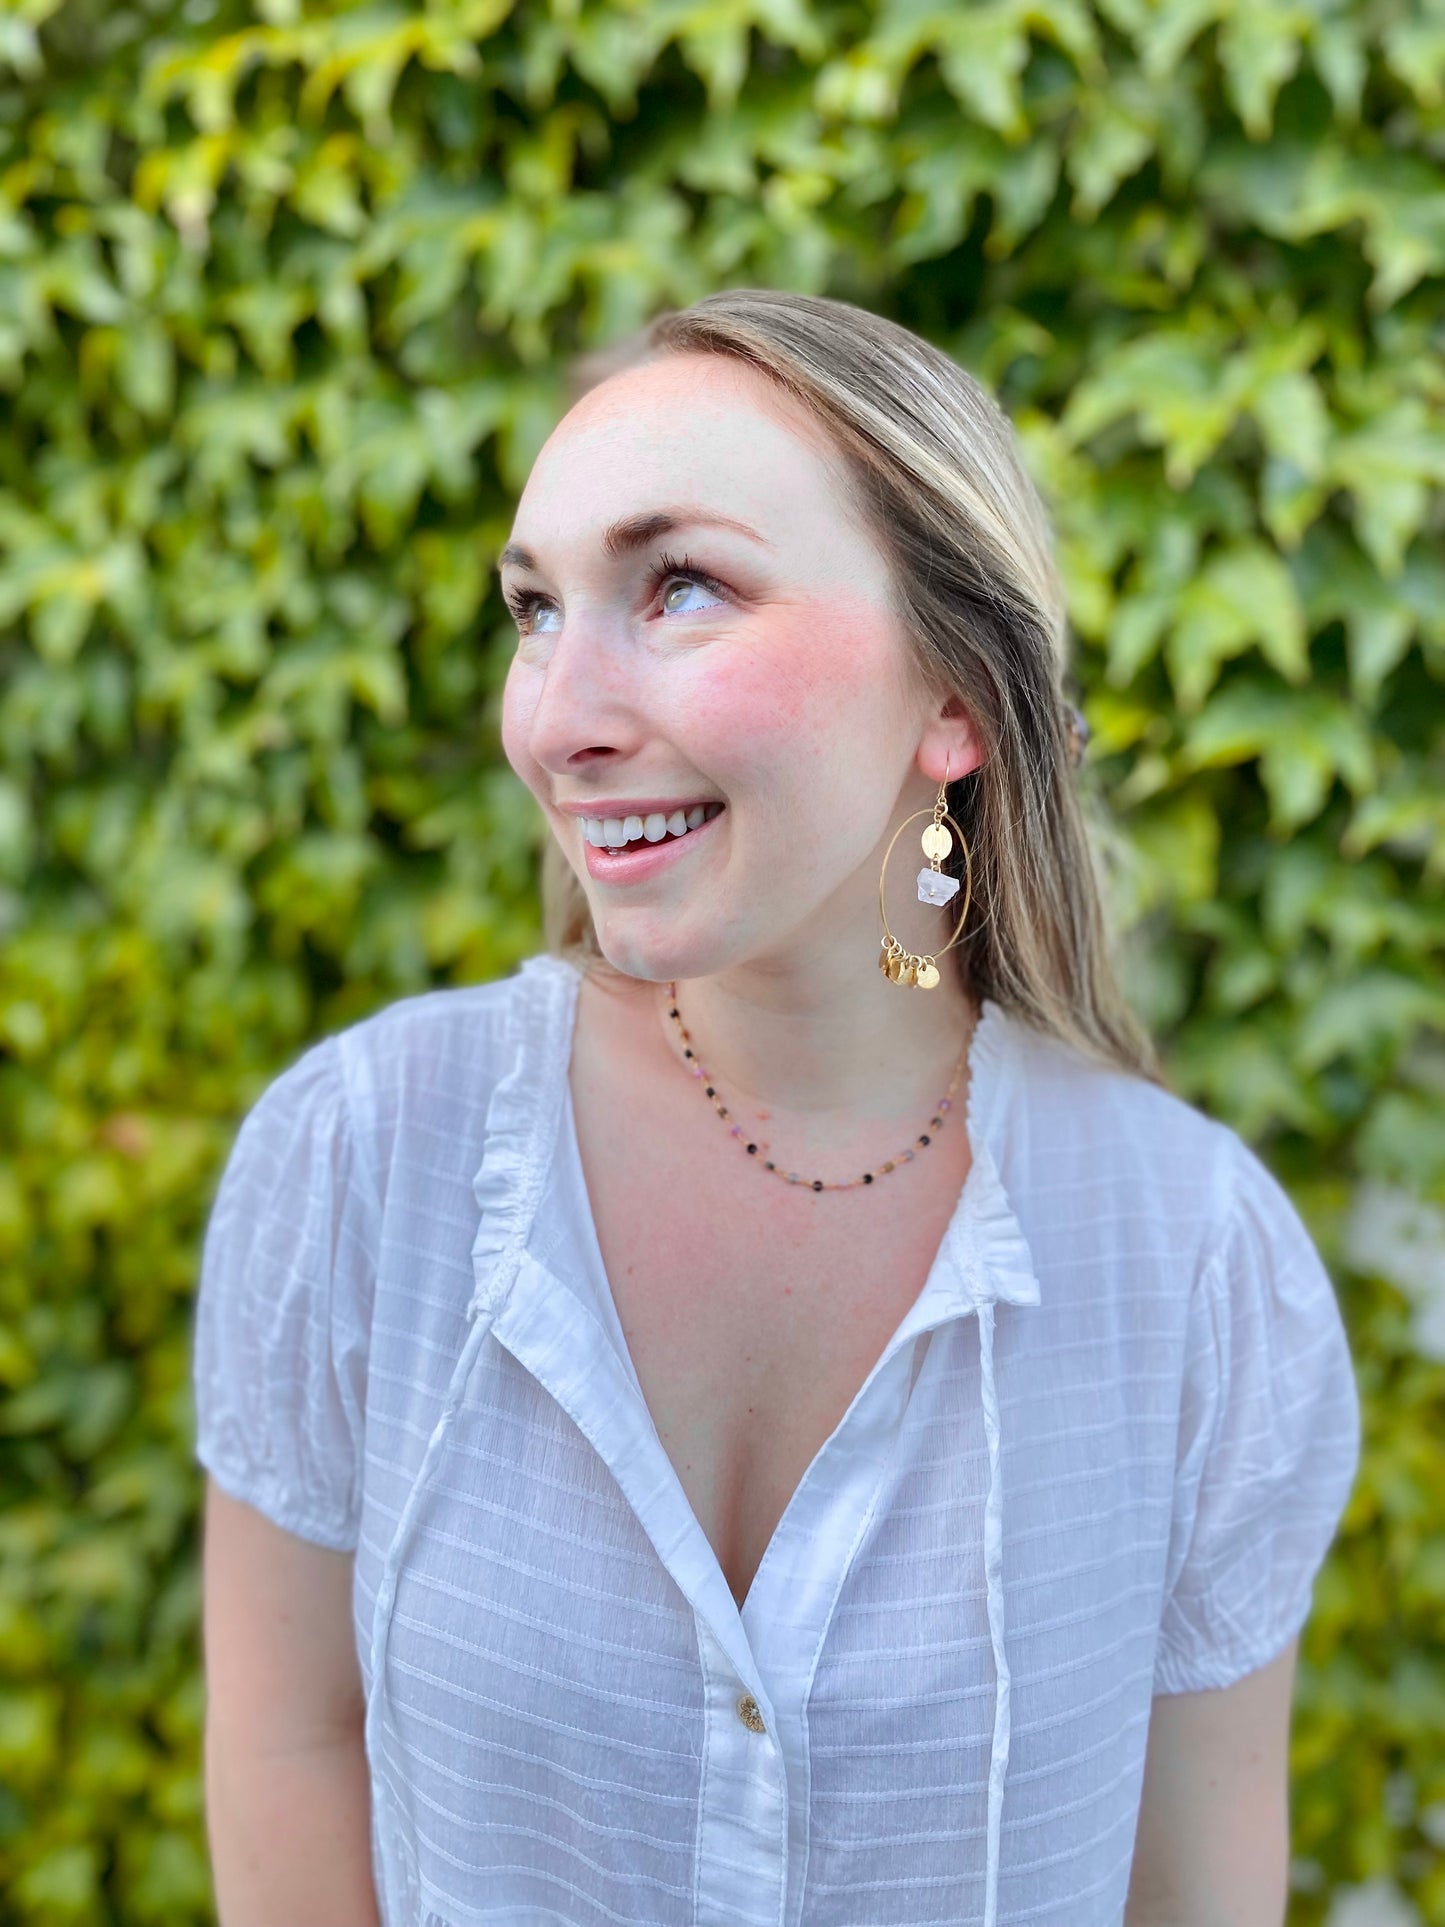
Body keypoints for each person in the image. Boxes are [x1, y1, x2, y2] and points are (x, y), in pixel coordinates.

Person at [193, 288, 1361, 1927]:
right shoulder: (364, 1160)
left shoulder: (1195, 1264)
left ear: (953, 697)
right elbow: (290, 1744)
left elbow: (1193, 1891)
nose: (555, 718)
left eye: (679, 587)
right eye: (535, 608)